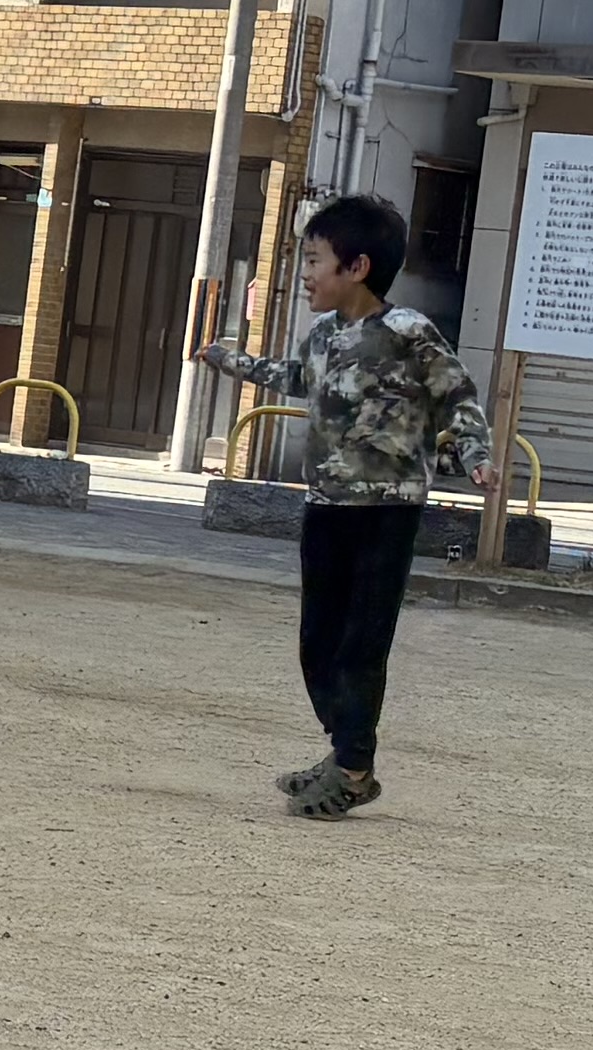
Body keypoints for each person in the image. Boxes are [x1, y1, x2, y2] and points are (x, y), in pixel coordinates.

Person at [194, 190, 484, 819]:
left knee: (362, 641)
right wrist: (230, 361)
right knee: (317, 640)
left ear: (356, 268)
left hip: (387, 509)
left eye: (316, 260)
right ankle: (344, 750)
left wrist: (476, 451)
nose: (305, 274)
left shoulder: (408, 332)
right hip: (326, 504)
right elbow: (297, 379)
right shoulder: (324, 333)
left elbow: (456, 392)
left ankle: (353, 766)